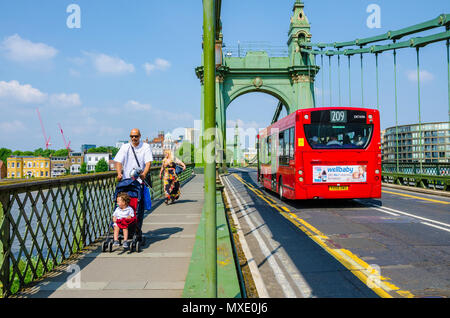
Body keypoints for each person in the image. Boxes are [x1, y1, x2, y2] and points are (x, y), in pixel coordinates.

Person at [114, 128, 153, 232]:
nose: (134, 138)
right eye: (132, 136)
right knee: (123, 205)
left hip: (139, 182)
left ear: (140, 136)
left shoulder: (145, 147)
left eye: (136, 136)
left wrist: (144, 173)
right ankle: (122, 229)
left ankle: (136, 229)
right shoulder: (125, 147)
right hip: (126, 182)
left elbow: (148, 162)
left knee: (138, 207)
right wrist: (119, 173)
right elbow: (118, 161)